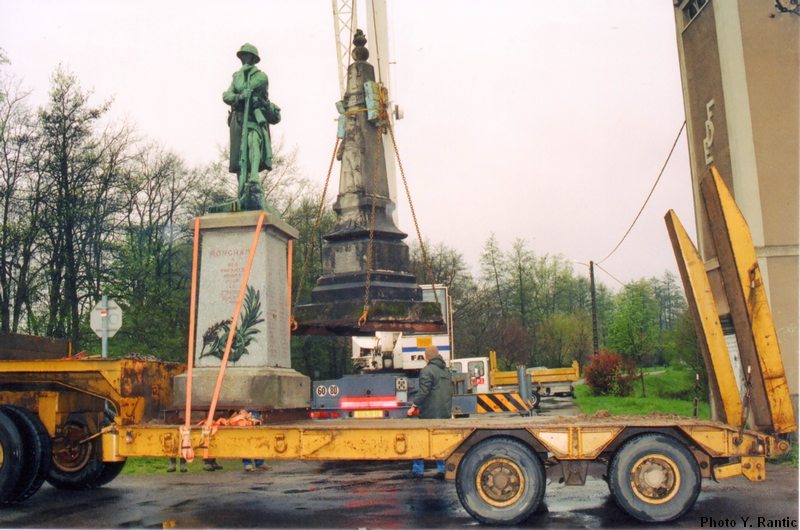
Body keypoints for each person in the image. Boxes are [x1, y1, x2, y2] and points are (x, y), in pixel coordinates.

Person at [222, 43, 281, 211]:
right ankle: (242, 189)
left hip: (254, 117)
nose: (243, 59)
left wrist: (245, 91)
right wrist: (239, 96)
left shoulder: (261, 76)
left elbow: (255, 86)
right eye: (242, 56)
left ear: (253, 58)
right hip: (239, 120)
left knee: (253, 140)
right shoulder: (236, 76)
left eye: (247, 56)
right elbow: (226, 95)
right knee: (240, 155)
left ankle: (254, 175)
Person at [407, 345, 453, 478]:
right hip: (444, 413)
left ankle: (418, 470)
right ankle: (442, 469)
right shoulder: (446, 371)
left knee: (420, 440)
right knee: (441, 442)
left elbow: (423, 392)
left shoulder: (427, 371)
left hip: (429, 414)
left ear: (426, 357)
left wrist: (413, 406)